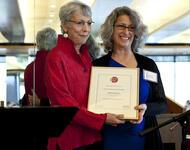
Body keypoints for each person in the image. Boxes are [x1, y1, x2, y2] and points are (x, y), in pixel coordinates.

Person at [44, 1, 124, 150]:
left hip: (92, 136)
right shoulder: (55, 57)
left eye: (89, 23)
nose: (86, 29)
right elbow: (65, 105)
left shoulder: (86, 56)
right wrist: (103, 118)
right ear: (65, 25)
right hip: (69, 139)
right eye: (80, 23)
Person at [93, 6, 168, 150]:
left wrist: (146, 108)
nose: (126, 32)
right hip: (108, 137)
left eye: (131, 27)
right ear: (111, 29)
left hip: (142, 137)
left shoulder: (148, 65)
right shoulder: (97, 66)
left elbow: (162, 104)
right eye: (121, 26)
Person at [23, 27, 57, 106]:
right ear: (55, 44)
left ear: (37, 44)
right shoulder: (56, 66)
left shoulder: (29, 68)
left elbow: (29, 100)